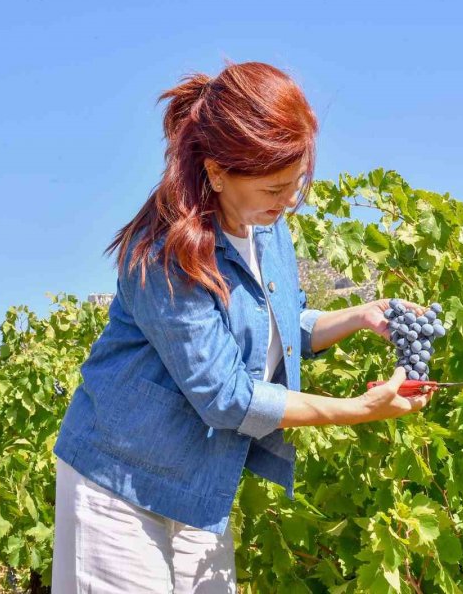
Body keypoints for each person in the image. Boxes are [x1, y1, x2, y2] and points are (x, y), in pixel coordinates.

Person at [51, 60, 433, 593]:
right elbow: (227, 396)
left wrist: (361, 315)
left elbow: (277, 328)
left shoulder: (267, 227)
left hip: (200, 481)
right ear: (216, 173)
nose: (287, 203)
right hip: (118, 481)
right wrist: (358, 411)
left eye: (295, 186)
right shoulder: (166, 253)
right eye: (274, 189)